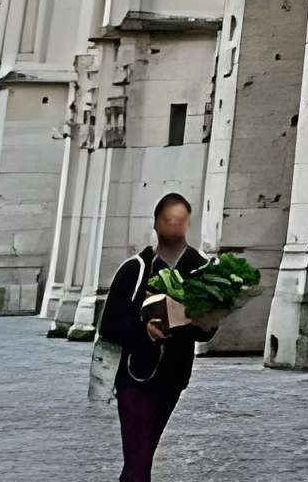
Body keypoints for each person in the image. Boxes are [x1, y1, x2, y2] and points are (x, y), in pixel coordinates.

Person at [96, 193, 208, 482]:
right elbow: (108, 325)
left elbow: (206, 330)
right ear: (157, 224)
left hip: (172, 379)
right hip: (134, 379)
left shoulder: (199, 269)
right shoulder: (135, 269)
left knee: (140, 456)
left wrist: (194, 321)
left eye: (180, 221)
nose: (174, 227)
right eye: (169, 221)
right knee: (139, 459)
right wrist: (143, 331)